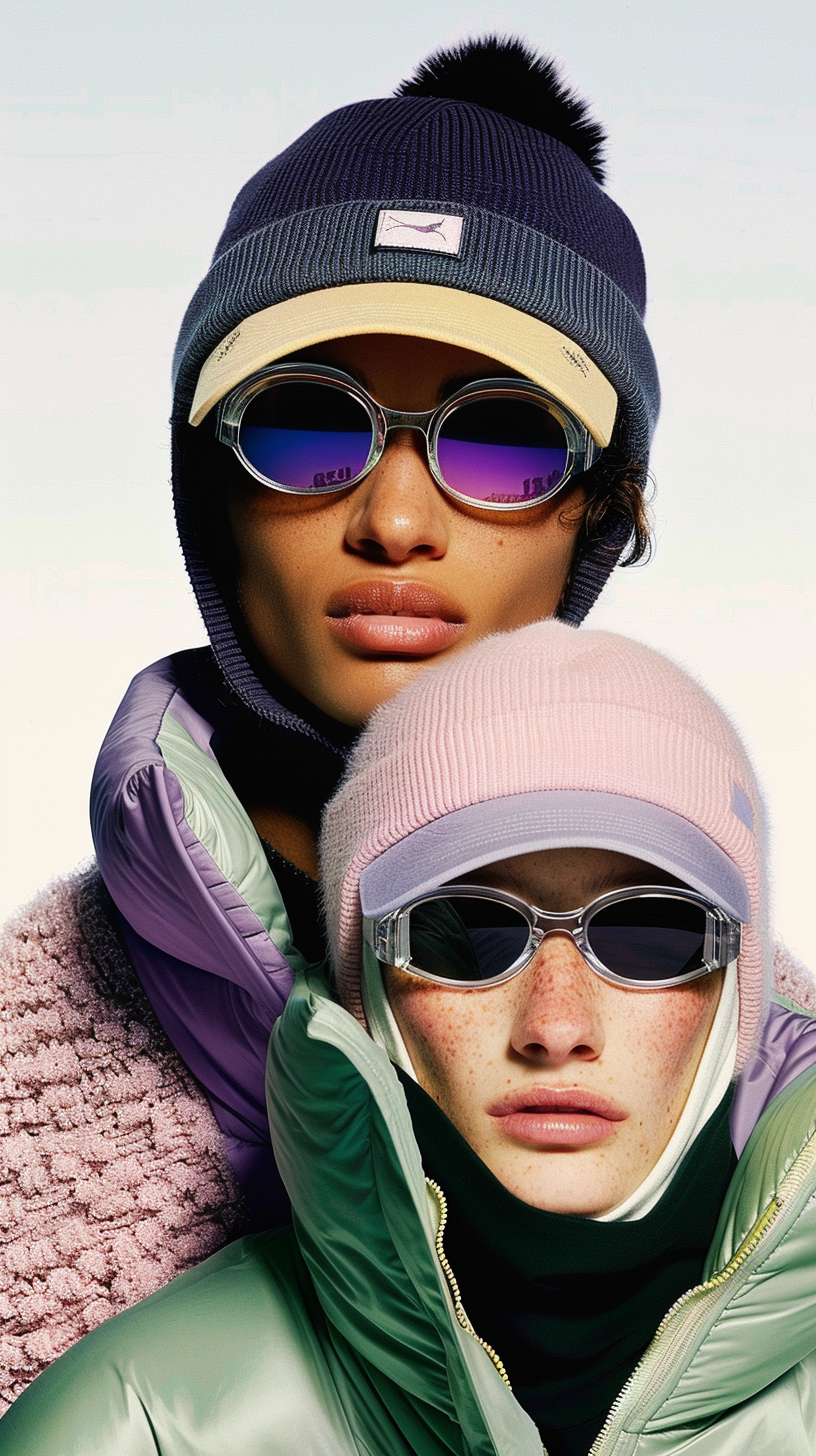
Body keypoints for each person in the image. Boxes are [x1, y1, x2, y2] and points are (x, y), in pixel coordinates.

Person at [0, 35, 804, 1407]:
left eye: (503, 439)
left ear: (606, 513)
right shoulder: (20, 1084)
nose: (394, 518)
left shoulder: (774, 1092)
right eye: (305, 426)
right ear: (206, 489)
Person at [3, 620, 815, 1455]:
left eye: (651, 934)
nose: (556, 1026)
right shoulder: (135, 1426)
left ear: (733, 995)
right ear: (368, 990)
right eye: (463, 935)